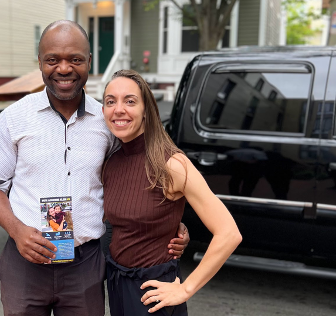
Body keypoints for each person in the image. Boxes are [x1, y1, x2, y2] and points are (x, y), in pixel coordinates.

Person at [0, 20, 190, 316]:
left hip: (85, 266)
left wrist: (168, 225)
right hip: (25, 261)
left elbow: (134, 176)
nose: (64, 69)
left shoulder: (107, 122)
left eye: (75, 59)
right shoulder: (14, 119)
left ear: (88, 62)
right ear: (40, 62)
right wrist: (17, 230)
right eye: (53, 60)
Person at [102, 70, 242, 316]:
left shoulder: (172, 164)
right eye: (110, 101)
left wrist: (186, 289)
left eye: (130, 101)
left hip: (154, 292)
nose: (118, 109)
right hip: (118, 284)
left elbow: (229, 233)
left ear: (147, 110)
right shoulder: (112, 161)